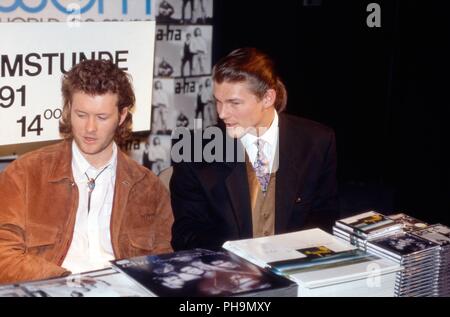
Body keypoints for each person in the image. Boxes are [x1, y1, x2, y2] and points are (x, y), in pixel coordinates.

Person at [0, 59, 173, 284]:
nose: (89, 128)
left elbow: (163, 264)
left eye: (102, 117)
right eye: (81, 115)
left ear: (121, 116)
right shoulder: (25, 174)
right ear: (69, 109)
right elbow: (4, 255)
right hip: (52, 287)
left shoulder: (148, 187)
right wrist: (64, 281)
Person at [170, 48, 338, 250]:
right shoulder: (194, 150)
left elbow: (323, 219)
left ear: (267, 98)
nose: (222, 113)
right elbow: (185, 234)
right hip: (227, 272)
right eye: (218, 101)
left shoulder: (316, 142)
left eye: (234, 103)